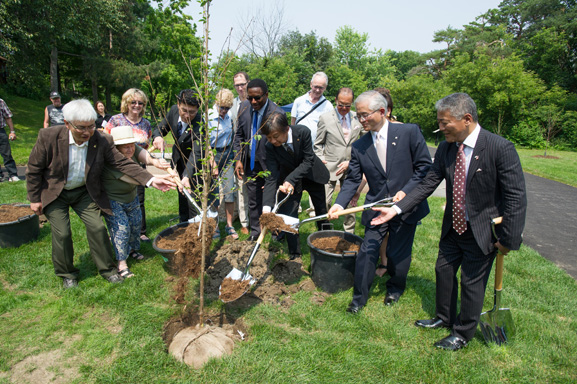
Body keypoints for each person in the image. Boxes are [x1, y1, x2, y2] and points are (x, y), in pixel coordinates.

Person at [371, 93, 527, 351]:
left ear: (466, 119)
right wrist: (396, 210)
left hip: (482, 231)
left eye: (445, 123)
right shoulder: (446, 148)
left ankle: (463, 333)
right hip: (454, 226)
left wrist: (509, 239)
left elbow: (516, 198)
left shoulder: (500, 148)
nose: (440, 128)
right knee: (443, 270)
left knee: (471, 282)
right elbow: (427, 184)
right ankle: (444, 317)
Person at [26, 99, 175, 289]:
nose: (87, 132)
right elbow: (33, 169)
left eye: (91, 126)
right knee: (62, 234)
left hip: (84, 192)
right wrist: (34, 198)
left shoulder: (101, 139)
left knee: (97, 228)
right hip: (55, 193)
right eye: (81, 128)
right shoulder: (48, 137)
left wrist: (151, 180)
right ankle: (67, 274)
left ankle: (108, 270)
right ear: (67, 124)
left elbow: (121, 162)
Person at [328, 90, 432, 313]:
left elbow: (424, 168)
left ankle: (395, 288)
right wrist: (339, 204)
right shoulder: (359, 146)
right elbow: (353, 179)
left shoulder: (409, 132)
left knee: (397, 253)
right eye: (359, 116)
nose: (361, 120)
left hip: (405, 206)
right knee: (368, 250)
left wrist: (405, 192)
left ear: (382, 112)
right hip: (376, 205)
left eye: (365, 115)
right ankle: (358, 299)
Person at [102, 126, 171, 278]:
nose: (129, 149)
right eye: (125, 146)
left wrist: (155, 162)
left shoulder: (134, 150)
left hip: (131, 197)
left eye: (131, 145)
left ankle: (132, 250)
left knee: (135, 224)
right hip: (114, 200)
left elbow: (145, 155)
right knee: (122, 229)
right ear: (116, 147)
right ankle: (121, 263)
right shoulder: (112, 159)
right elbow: (131, 178)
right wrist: (156, 179)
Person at [262, 112, 330, 259]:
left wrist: (290, 179)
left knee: (321, 210)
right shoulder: (270, 147)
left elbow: (308, 160)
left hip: (311, 175)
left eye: (275, 136)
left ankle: (326, 242)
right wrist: (266, 209)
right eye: (269, 138)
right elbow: (271, 177)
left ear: (286, 129)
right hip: (288, 179)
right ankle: (295, 254)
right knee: (289, 214)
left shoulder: (302, 131)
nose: (272, 141)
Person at [233, 79, 284, 241]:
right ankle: (255, 232)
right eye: (250, 98)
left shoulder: (278, 113)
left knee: (274, 200)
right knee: (253, 200)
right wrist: (238, 159)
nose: (253, 101)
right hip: (250, 163)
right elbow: (239, 135)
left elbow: (280, 145)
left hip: (271, 165)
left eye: (257, 98)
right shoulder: (244, 107)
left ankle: (277, 232)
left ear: (266, 95)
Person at [314, 87, 364, 233]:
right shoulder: (326, 118)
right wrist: (321, 159)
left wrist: (354, 161)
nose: (343, 108)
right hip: (329, 168)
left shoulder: (357, 118)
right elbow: (317, 144)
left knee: (350, 204)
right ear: (335, 100)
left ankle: (349, 233)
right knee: (325, 202)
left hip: (351, 167)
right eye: (341, 104)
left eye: (347, 105)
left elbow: (366, 141)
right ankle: (325, 231)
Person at [105, 88, 152, 241]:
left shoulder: (145, 123)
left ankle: (140, 232)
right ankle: (119, 230)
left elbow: (146, 144)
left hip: (138, 164)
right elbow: (106, 142)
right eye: (133, 102)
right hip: (118, 167)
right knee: (120, 200)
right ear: (126, 103)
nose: (137, 105)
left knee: (139, 198)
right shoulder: (116, 120)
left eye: (140, 103)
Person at [152, 89, 203, 223]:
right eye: (184, 110)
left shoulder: (200, 122)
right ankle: (183, 223)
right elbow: (161, 127)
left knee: (192, 196)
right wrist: (158, 136)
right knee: (181, 195)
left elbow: (196, 152)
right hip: (178, 159)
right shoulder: (174, 111)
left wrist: (187, 175)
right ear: (178, 104)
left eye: (192, 112)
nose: (187, 115)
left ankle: (195, 225)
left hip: (194, 164)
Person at [291, 72, 333, 218]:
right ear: (310, 85)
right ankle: (292, 215)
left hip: (316, 149)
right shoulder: (299, 101)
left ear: (325, 88)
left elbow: (330, 130)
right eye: (315, 86)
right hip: (298, 151)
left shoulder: (328, 105)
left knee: (317, 187)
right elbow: (292, 124)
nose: (317, 90)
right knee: (295, 184)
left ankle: (317, 216)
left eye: (321, 88)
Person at [207, 89, 238, 239]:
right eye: (222, 107)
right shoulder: (208, 117)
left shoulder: (229, 116)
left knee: (229, 191)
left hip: (227, 154)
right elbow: (205, 142)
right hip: (212, 154)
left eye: (227, 108)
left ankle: (229, 225)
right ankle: (214, 225)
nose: (224, 111)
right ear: (216, 103)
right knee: (212, 193)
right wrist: (212, 162)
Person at [231, 72, 251, 235]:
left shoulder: (255, 101)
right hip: (238, 151)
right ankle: (244, 221)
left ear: (248, 83)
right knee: (241, 187)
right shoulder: (232, 105)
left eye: (242, 84)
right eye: (237, 85)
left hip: (256, 151)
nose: (240, 88)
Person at [0, 98, 19, 182]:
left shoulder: (1, 102)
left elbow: (8, 117)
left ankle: (13, 175)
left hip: (1, 131)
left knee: (7, 154)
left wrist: (12, 132)